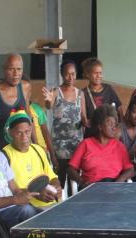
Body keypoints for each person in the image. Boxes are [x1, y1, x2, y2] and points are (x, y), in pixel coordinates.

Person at [1, 110, 61, 210]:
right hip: (27, 209)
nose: (24, 137)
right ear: (10, 133)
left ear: (31, 129)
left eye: (27, 132)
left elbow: (52, 177)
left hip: (52, 205)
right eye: (19, 133)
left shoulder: (38, 150)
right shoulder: (4, 156)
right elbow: (6, 190)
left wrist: (56, 186)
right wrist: (37, 194)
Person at [42, 60, 87, 194]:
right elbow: (48, 106)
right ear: (62, 74)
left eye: (73, 74)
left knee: (76, 179)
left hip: (76, 144)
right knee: (60, 179)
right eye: (67, 74)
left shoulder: (80, 94)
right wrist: (48, 100)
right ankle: (59, 205)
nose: (70, 78)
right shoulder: (56, 92)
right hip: (59, 145)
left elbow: (83, 117)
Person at [69, 105, 134, 188]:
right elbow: (71, 169)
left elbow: (130, 169)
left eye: (115, 124)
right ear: (100, 126)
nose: (114, 128)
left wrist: (119, 181)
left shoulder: (119, 146)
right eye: (110, 124)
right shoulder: (85, 144)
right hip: (91, 188)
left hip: (114, 187)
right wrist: (81, 181)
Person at [0, 53, 31, 150]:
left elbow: (29, 119)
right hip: (3, 150)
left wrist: (35, 145)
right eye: (11, 69)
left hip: (22, 150)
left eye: (19, 69)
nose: (16, 74)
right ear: (4, 70)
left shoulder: (25, 87)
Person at [82, 58, 123, 132]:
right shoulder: (83, 93)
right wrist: (85, 121)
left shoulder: (108, 89)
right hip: (92, 132)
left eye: (100, 73)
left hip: (108, 131)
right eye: (95, 73)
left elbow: (119, 109)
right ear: (87, 74)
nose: (98, 76)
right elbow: (83, 116)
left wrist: (121, 127)